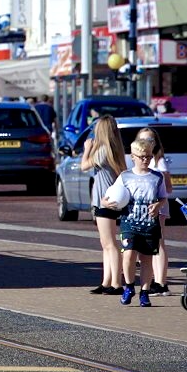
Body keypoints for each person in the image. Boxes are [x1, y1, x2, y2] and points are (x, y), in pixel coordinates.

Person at [103, 135, 168, 307]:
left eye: (149, 156)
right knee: (129, 255)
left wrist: (158, 205)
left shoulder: (157, 177)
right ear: (133, 157)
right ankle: (129, 286)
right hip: (129, 222)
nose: (146, 160)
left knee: (146, 259)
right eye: (142, 157)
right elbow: (110, 195)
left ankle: (145, 292)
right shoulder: (125, 177)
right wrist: (105, 202)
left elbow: (163, 198)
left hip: (150, 224)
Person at [79, 115, 126, 295]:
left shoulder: (102, 150)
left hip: (104, 199)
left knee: (109, 243)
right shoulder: (113, 149)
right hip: (108, 198)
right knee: (106, 243)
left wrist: (87, 149)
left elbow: (84, 165)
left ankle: (116, 283)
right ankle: (107, 281)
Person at [142, 128, 172, 295]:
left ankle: (161, 282)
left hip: (158, 206)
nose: (146, 143)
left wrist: (157, 198)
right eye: (142, 140)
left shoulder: (159, 162)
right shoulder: (142, 161)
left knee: (158, 242)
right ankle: (156, 279)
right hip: (145, 207)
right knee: (151, 243)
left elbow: (168, 188)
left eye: (149, 140)